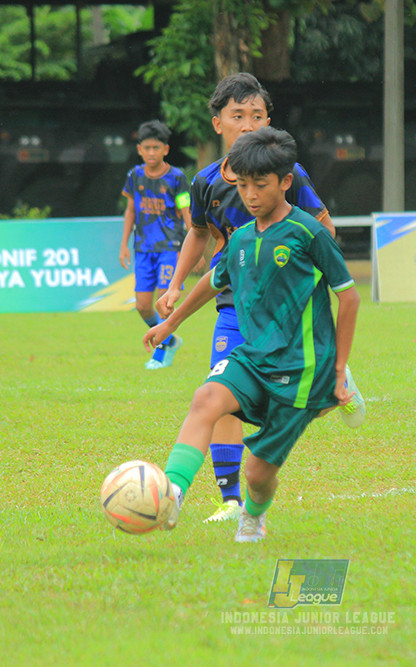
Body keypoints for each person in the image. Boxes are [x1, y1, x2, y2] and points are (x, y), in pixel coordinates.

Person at [156, 73, 365, 524]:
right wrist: (174, 291)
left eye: (257, 115)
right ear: (218, 124)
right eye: (238, 116)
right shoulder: (206, 183)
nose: (248, 124)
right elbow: (199, 236)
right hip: (235, 306)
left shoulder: (288, 175)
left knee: (272, 424)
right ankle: (221, 499)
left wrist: (291, 279)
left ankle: (333, 381)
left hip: (289, 316)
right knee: (215, 394)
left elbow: (323, 232)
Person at [119, 120, 191, 370]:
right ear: (139, 149)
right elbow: (130, 211)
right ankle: (170, 340)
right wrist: (124, 244)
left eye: (156, 148)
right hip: (143, 249)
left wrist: (193, 245)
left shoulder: (177, 177)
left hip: (170, 247)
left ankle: (160, 354)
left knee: (164, 301)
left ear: (165, 150)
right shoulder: (134, 176)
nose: (151, 153)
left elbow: (185, 210)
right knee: (142, 306)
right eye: (147, 148)